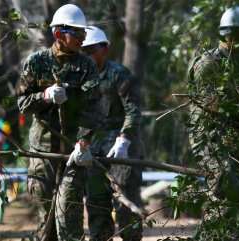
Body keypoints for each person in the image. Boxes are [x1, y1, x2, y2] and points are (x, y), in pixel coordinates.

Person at [16, 4, 101, 240]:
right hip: (43, 152)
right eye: (76, 33)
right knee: (47, 219)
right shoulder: (36, 62)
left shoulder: (87, 65)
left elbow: (92, 108)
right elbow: (22, 102)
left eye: (83, 33)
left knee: (69, 214)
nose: (82, 38)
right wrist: (45, 96)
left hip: (74, 151)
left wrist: (83, 144)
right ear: (58, 35)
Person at [187, 6, 239, 239]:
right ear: (232, 35)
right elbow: (208, 118)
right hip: (210, 139)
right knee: (231, 190)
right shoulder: (208, 64)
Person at [81, 26, 143, 241]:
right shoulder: (79, 79)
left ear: (104, 49)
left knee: (127, 208)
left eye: (91, 50)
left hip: (121, 152)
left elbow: (133, 110)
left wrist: (125, 139)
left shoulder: (119, 74)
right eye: (83, 51)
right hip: (93, 154)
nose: (87, 56)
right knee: (97, 209)